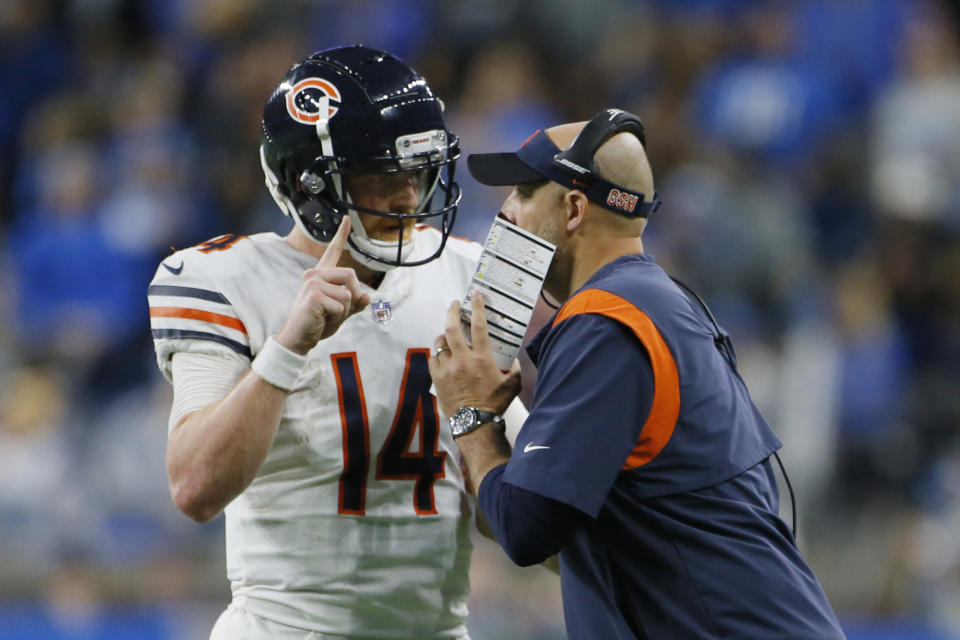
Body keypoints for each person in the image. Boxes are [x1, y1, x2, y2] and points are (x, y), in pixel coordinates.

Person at [428, 108, 846, 639]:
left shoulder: (604, 322)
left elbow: (527, 528)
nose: (506, 212)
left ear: (575, 209)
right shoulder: (659, 303)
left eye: (524, 193)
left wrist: (472, 414)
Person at [148, 45, 521, 639]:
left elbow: (513, 522)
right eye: (381, 176)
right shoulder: (219, 278)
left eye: (417, 173)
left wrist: (483, 427)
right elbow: (194, 487)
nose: (407, 198)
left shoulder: (468, 276)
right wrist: (288, 347)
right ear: (308, 183)